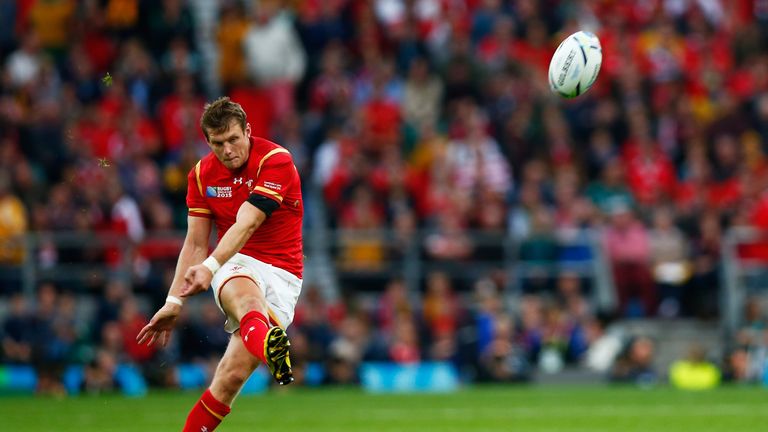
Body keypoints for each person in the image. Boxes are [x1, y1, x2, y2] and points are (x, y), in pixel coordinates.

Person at [136, 97, 303, 432]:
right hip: (234, 261)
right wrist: (174, 301)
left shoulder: (274, 160)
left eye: (233, 140)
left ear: (248, 131)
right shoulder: (200, 175)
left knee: (228, 380)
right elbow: (195, 243)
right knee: (248, 299)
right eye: (217, 143)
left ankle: (268, 341)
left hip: (284, 275)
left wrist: (209, 266)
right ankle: (273, 348)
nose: (227, 150)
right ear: (207, 142)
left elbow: (248, 221)